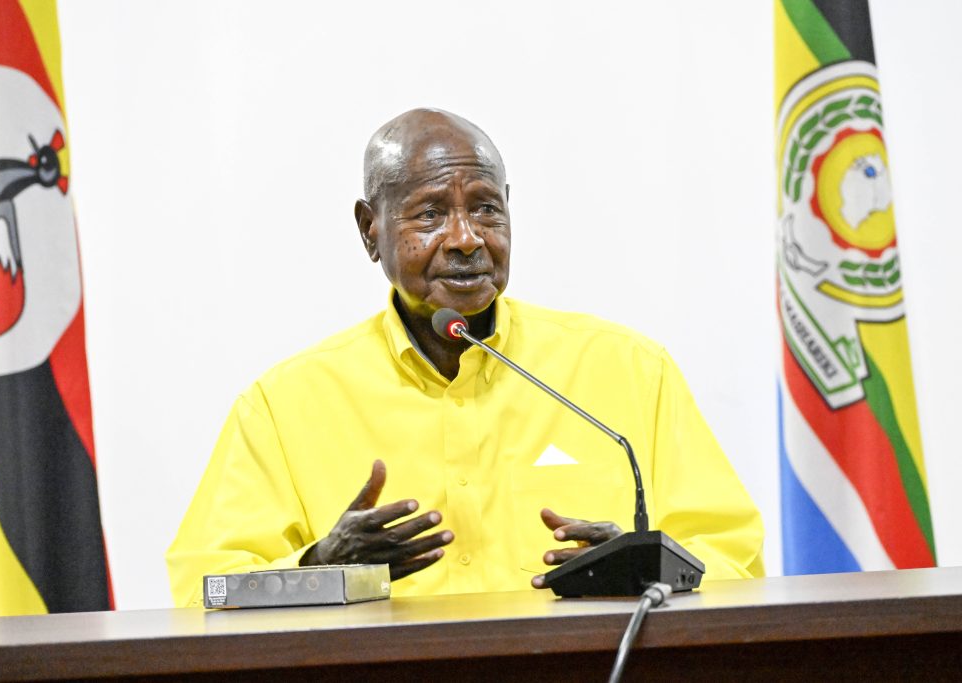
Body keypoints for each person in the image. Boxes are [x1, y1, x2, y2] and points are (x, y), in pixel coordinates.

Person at [166, 109, 764, 607]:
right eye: (430, 214)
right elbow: (205, 594)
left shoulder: (629, 370)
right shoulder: (284, 406)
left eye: (485, 208)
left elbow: (734, 559)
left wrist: (645, 568)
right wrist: (320, 568)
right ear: (370, 229)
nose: (466, 238)